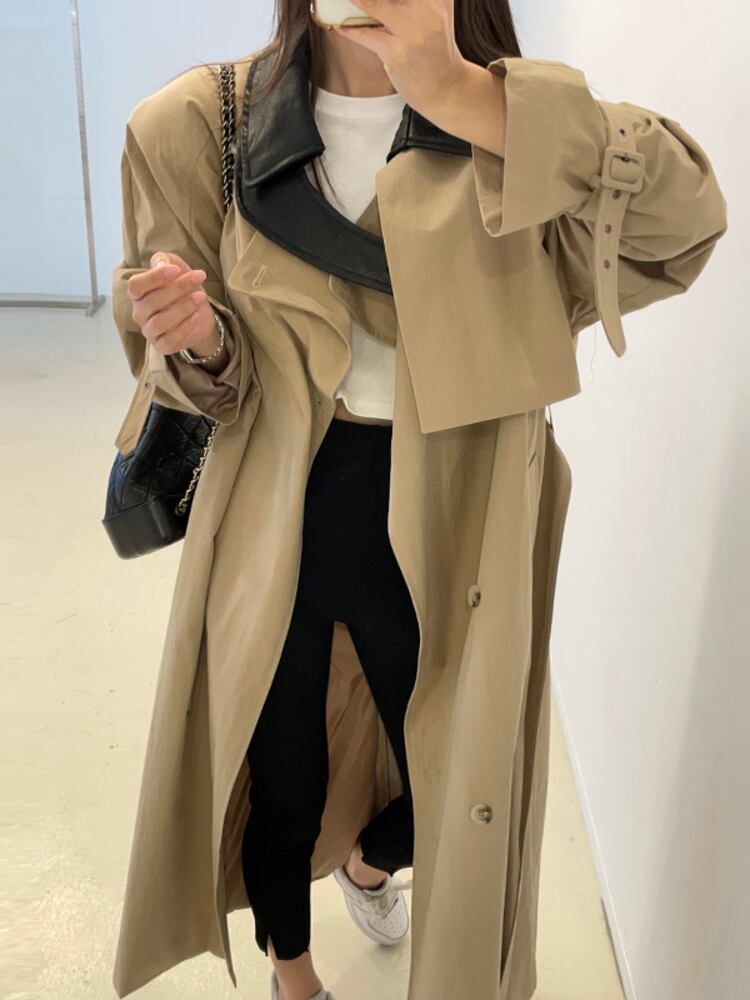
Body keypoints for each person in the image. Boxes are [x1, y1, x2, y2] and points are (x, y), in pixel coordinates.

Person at [111, 3, 727, 1000]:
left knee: (455, 784)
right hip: (279, 517)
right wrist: (197, 340)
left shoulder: (508, 125)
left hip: (453, 524)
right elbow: (193, 374)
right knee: (280, 775)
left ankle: (369, 863)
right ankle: (293, 974)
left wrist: (466, 96)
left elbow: (686, 218)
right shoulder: (199, 125)